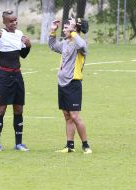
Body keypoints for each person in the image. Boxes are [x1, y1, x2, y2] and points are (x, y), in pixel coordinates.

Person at [0, 10, 31, 152]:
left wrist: (28, 46)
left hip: (17, 76)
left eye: (16, 20)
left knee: (18, 109)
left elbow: (22, 55)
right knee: (1, 108)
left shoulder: (19, 34)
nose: (15, 23)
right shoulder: (0, 34)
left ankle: (18, 143)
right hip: (4, 76)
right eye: (11, 21)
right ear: (4, 22)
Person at [48, 17, 92, 154]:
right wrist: (52, 32)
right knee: (67, 116)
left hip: (73, 83)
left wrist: (73, 31)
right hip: (62, 84)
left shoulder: (80, 45)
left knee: (74, 116)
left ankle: (86, 145)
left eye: (67, 27)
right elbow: (53, 46)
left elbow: (82, 45)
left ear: (75, 29)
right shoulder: (65, 43)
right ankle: (69, 146)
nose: (64, 29)